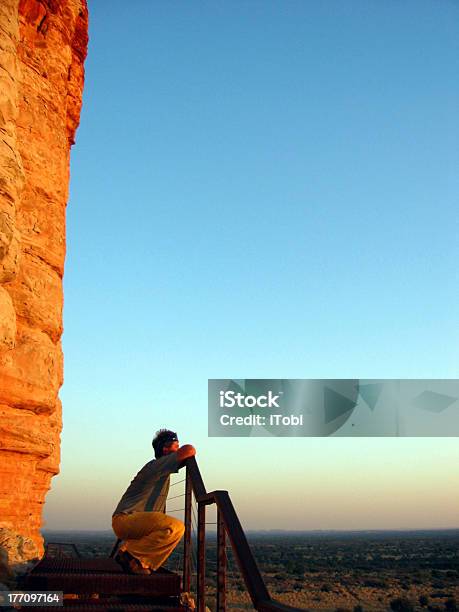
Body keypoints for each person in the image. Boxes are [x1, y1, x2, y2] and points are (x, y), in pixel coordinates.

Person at [112, 429, 196, 574]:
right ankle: (132, 556)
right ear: (165, 449)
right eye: (176, 446)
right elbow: (189, 450)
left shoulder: (160, 469)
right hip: (125, 520)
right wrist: (182, 452)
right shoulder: (157, 466)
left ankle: (136, 560)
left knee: (170, 527)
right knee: (175, 527)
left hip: (131, 522)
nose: (178, 449)